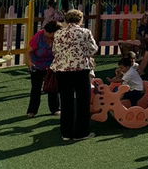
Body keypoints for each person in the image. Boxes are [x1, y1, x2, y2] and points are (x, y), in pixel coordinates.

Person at [52, 9, 98, 141]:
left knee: (66, 101)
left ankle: (66, 132)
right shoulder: (84, 32)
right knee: (82, 101)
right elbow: (93, 49)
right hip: (80, 69)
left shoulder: (58, 33)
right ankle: (81, 132)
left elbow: (54, 50)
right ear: (80, 20)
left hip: (62, 70)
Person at [26, 21, 61, 118]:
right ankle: (32, 111)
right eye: (47, 32)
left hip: (52, 66)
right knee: (36, 89)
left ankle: (55, 108)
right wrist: (30, 63)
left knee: (53, 87)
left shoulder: (59, 38)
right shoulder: (38, 37)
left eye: (51, 34)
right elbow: (29, 51)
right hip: (37, 65)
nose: (48, 35)